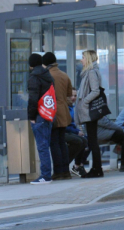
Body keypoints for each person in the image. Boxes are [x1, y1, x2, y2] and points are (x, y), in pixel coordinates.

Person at [43, 52, 73, 180]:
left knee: (54, 142)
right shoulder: (64, 75)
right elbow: (69, 93)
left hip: (53, 111)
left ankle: (58, 171)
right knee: (62, 142)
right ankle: (66, 171)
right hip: (64, 111)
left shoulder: (47, 75)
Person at [75, 50, 104, 178]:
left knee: (92, 141)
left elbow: (96, 91)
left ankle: (97, 169)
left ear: (88, 59)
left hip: (89, 111)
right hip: (88, 111)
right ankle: (97, 169)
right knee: (92, 141)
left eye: (83, 58)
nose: (81, 60)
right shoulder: (89, 72)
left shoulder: (91, 72)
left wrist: (85, 101)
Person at [27, 53, 54, 184]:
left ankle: (45, 175)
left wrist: (31, 116)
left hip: (38, 115)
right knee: (46, 145)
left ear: (31, 64)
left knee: (42, 146)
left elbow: (33, 98)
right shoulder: (47, 75)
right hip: (48, 113)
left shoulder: (34, 77)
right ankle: (47, 173)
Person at [65, 89, 89, 177]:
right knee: (81, 141)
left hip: (72, 131)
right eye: (71, 95)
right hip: (66, 131)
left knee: (87, 140)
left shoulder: (73, 108)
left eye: (75, 96)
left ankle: (78, 165)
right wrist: (77, 131)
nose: (73, 98)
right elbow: (67, 126)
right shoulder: (66, 108)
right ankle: (70, 164)